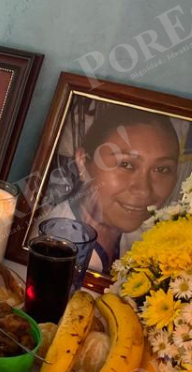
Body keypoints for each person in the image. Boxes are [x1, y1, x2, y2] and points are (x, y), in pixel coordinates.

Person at [41, 104, 182, 272]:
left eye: (162, 169)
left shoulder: (151, 239)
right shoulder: (52, 249)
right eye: (126, 164)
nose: (143, 190)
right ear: (83, 162)